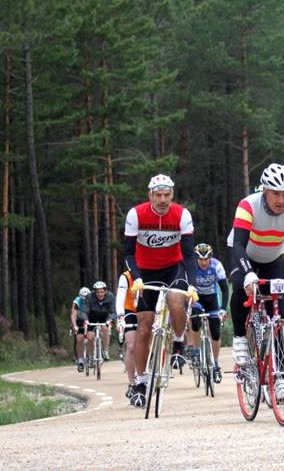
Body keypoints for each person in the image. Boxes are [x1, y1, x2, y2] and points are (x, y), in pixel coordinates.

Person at [228, 164, 284, 404]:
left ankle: (280, 378)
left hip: (272, 258)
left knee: (279, 313)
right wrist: (247, 274)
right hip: (243, 253)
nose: (281, 199)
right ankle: (240, 339)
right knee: (240, 288)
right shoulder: (248, 205)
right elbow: (238, 246)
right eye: (276, 193)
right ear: (264, 190)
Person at [124, 174, 198, 407]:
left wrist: (192, 283)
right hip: (145, 272)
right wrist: (136, 278)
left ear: (172, 195)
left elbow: (188, 254)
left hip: (172, 269)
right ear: (150, 196)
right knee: (144, 327)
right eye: (158, 195)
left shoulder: (182, 215)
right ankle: (141, 382)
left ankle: (178, 341)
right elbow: (128, 253)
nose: (163, 200)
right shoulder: (136, 214)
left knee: (176, 301)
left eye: (167, 195)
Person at [189, 243, 229, 383]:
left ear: (211, 258)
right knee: (194, 320)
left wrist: (223, 309)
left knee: (216, 332)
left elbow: (224, 289)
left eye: (206, 259)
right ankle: (195, 350)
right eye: (201, 259)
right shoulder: (192, 267)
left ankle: (216, 365)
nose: (204, 262)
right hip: (197, 298)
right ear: (196, 259)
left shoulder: (217, 266)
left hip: (212, 299)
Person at [115, 270, 138, 399]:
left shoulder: (151, 271)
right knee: (131, 346)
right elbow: (120, 298)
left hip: (146, 309)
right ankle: (131, 383)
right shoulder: (126, 276)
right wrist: (120, 318)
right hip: (130, 311)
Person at [85, 281, 115, 362]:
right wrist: (86, 320)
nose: (100, 294)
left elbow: (113, 312)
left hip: (104, 317)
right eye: (97, 292)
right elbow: (85, 311)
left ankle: (105, 351)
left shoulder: (110, 296)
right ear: (95, 292)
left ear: (105, 291)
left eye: (102, 292)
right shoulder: (89, 297)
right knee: (90, 337)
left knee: (105, 329)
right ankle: (91, 356)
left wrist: (110, 319)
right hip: (92, 317)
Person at [71, 287, 91, 372]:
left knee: (91, 337)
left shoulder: (93, 299)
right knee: (79, 339)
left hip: (90, 319)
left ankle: (92, 356)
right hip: (80, 320)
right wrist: (74, 325)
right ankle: (80, 360)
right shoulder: (77, 301)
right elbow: (73, 314)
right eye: (83, 299)